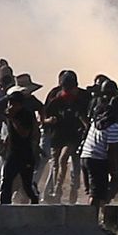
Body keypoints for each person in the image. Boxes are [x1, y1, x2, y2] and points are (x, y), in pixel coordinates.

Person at [79, 84, 118, 230]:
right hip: (97, 160)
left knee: (98, 192)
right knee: (97, 194)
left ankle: (102, 221)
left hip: (85, 157)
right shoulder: (113, 126)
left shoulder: (97, 120)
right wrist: (114, 169)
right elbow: (111, 150)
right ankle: (91, 223)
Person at [42, 71, 89, 203]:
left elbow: (84, 117)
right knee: (56, 163)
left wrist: (86, 127)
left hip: (73, 136)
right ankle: (55, 190)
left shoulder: (80, 100)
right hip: (57, 135)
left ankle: (62, 189)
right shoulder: (55, 100)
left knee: (64, 160)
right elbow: (44, 118)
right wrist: (50, 121)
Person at [0, 87, 41, 204]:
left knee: (27, 185)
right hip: (12, 153)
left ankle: (35, 203)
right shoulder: (10, 115)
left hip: (25, 154)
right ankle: (4, 207)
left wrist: (12, 119)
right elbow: (10, 133)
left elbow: (24, 133)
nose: (11, 105)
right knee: (6, 181)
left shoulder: (26, 114)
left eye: (13, 103)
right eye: (9, 103)